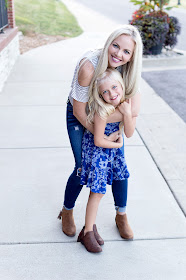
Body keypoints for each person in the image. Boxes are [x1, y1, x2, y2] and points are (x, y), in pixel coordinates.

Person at [58, 24, 143, 241]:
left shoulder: (129, 70)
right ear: (108, 43)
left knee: (118, 164)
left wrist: (115, 121)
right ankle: (67, 210)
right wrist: (101, 134)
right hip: (81, 115)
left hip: (107, 117)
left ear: (132, 56)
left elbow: (134, 110)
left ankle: (121, 215)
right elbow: (79, 110)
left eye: (126, 51)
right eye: (115, 46)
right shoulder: (89, 66)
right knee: (81, 166)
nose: (119, 54)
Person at [77, 68, 135, 253]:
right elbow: (98, 140)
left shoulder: (124, 104)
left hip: (111, 149)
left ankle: (90, 228)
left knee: (111, 184)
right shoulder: (102, 111)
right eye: (105, 92)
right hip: (98, 151)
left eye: (114, 87)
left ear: (121, 85)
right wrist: (116, 145)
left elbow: (129, 133)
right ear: (100, 95)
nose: (111, 94)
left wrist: (127, 114)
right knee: (98, 191)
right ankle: (87, 232)